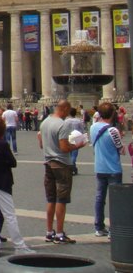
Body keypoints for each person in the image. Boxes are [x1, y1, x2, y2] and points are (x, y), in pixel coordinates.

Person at [0, 112, 34, 257]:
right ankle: (19, 246)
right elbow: (12, 162)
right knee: (9, 215)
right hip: (1, 182)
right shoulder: (2, 144)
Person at [38, 99, 87, 245]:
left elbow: (40, 143)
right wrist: (78, 145)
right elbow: (64, 148)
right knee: (61, 199)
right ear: (64, 109)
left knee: (51, 198)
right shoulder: (62, 124)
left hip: (48, 163)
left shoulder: (45, 122)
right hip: (61, 163)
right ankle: (59, 233)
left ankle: (49, 232)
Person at [90, 102, 123, 237]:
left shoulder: (92, 128)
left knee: (99, 198)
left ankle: (99, 227)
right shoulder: (113, 130)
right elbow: (121, 150)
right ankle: (113, 229)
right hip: (113, 168)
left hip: (99, 167)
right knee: (116, 200)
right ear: (113, 114)